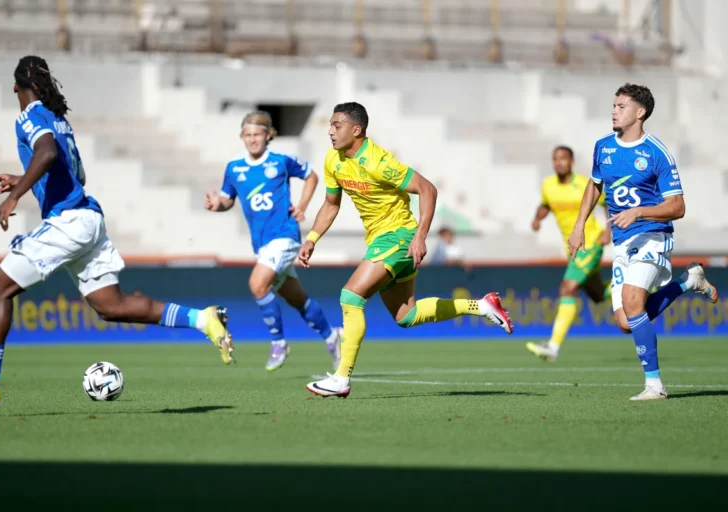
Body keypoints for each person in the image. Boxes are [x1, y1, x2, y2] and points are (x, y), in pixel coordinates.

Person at [0, 56, 232, 409]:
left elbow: (45, 153)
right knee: (111, 306)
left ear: (16, 87)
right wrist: (21, 177)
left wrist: (14, 195)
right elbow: (76, 175)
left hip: (70, 221)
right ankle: (202, 318)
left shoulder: (30, 117)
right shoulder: (59, 120)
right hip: (88, 217)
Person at [301, 102, 513, 398]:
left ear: (356, 129)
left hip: (399, 236)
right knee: (407, 316)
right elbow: (331, 204)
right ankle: (482, 305)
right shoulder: (333, 160)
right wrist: (312, 238)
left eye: (337, 125)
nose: (331, 131)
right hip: (382, 239)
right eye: (331, 126)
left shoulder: (379, 161)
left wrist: (420, 236)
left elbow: (427, 189)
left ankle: (341, 378)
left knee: (350, 297)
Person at [568, 83, 718, 401]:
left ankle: (655, 385)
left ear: (640, 112)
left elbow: (677, 206)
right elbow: (595, 186)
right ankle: (688, 282)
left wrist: (640, 212)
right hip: (622, 242)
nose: (614, 110)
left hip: (653, 235)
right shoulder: (603, 147)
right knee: (626, 321)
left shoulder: (656, 153)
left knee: (634, 303)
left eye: (621, 106)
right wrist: (579, 224)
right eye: (613, 105)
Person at [205, 111, 341, 371]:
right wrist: (216, 205)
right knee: (297, 299)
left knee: (257, 284)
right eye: (247, 135)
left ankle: (279, 343)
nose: (252, 140)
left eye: (257, 134)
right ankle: (332, 337)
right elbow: (226, 199)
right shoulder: (234, 169)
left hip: (285, 235)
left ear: (269, 135)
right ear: (242, 137)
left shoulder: (281, 161)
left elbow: (312, 175)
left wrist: (302, 206)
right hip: (263, 245)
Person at [526, 146, 611, 362]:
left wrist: (609, 231)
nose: (558, 163)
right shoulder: (548, 185)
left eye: (563, 159)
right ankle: (641, 285)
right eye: (555, 159)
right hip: (572, 251)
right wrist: (537, 218)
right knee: (598, 295)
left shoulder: (584, 184)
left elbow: (608, 202)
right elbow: (546, 205)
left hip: (590, 244)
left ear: (571, 161)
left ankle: (552, 347)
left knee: (567, 288)